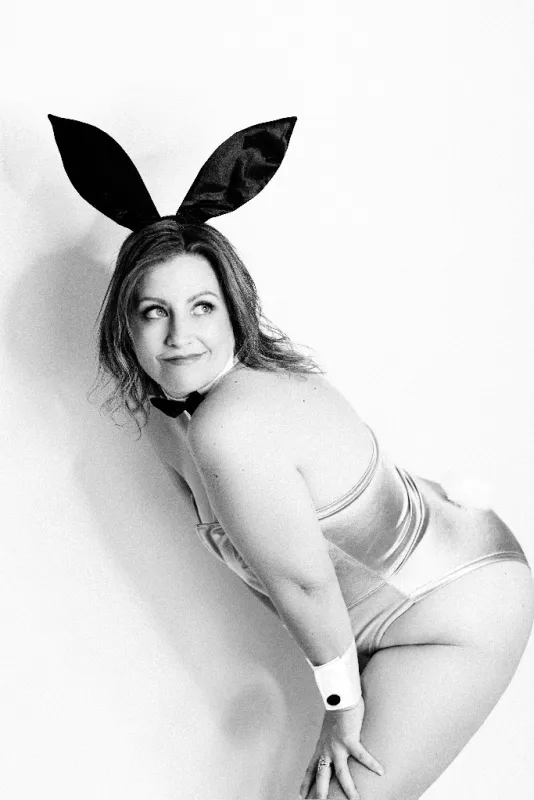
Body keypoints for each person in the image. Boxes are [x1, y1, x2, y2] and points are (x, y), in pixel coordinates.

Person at [49, 113, 534, 800]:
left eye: (202, 306)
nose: (180, 334)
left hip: (453, 613)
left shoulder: (232, 424)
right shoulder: (166, 419)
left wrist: (342, 709)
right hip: (391, 616)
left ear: (234, 309)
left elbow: (306, 585)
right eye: (154, 311)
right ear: (123, 324)